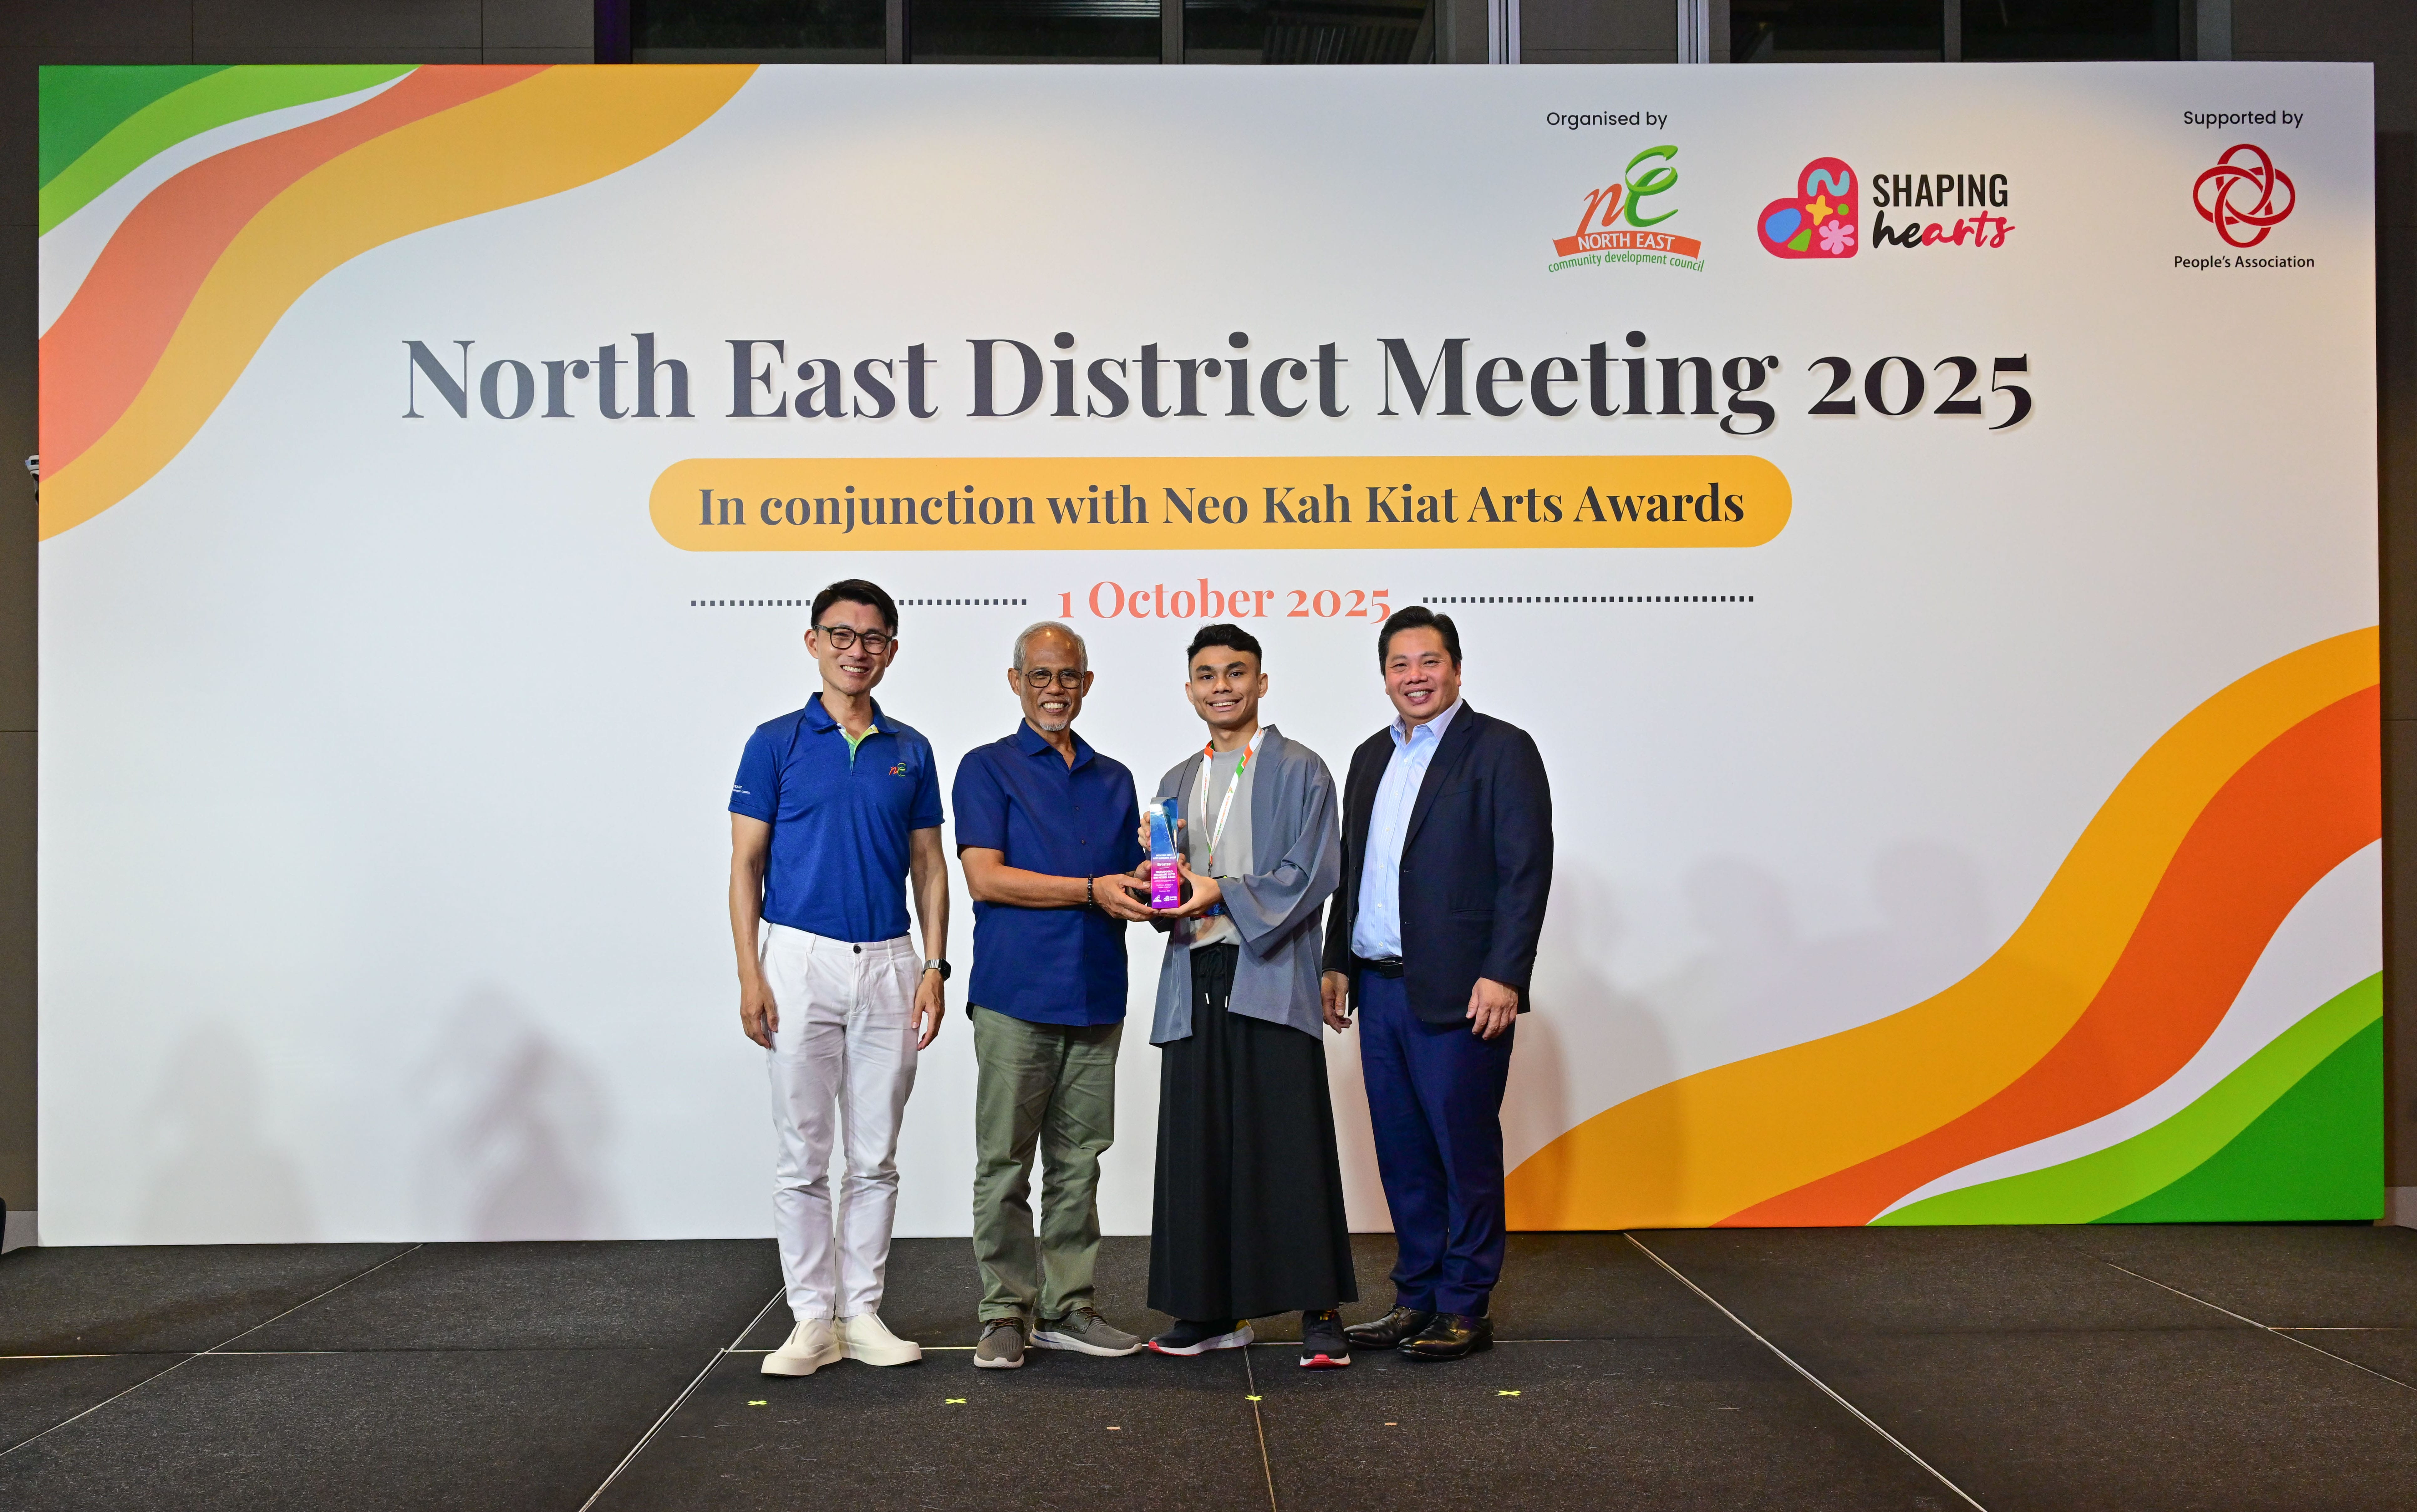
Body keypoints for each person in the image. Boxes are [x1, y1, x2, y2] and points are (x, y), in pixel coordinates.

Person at [730, 579, 950, 1378]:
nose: (857, 649)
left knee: (875, 1153)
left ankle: (861, 1311)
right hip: (797, 958)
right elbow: (745, 866)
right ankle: (809, 1319)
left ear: (892, 648)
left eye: (873, 637)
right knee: (802, 1153)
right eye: (842, 634)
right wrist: (751, 971)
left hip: (890, 959)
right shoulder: (775, 741)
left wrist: (932, 965)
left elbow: (929, 867)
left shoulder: (910, 748)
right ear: (813, 641)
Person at [1320, 606, 1553, 1362]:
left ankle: (1463, 1304)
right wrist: (1337, 961)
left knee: (1463, 1149)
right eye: (1399, 664)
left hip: (1462, 992)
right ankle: (1415, 1295)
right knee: (1403, 1152)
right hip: (1380, 988)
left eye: (1428, 662)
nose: (1413, 676)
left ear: (1456, 667)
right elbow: (1350, 870)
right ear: (1382, 674)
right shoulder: (1366, 757)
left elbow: (1524, 871)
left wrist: (1505, 974)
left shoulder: (1501, 750)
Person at [1140, 624, 1356, 1367]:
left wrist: (1220, 892)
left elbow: (1313, 871)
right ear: (1190, 688)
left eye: (1237, 673)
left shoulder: (1302, 769)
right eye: (1206, 675)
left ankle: (1320, 1310)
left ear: (1262, 682)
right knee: (1197, 1144)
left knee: (1288, 1144)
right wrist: (1154, 893)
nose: (1221, 686)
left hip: (1269, 974)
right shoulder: (1174, 780)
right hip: (1192, 977)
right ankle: (1208, 1309)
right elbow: (1170, 884)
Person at [953, 622, 1154, 1370]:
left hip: (1097, 992)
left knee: (1079, 1162)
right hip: (1015, 995)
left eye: (1067, 676)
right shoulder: (985, 767)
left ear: (1087, 683)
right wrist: (1092, 890)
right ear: (1015, 682)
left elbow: (1131, 881)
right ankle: (1005, 1310)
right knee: (1004, 1161)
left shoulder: (1116, 778)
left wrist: (1161, 888)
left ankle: (1068, 1306)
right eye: (1039, 675)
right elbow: (986, 877)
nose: (1054, 689)